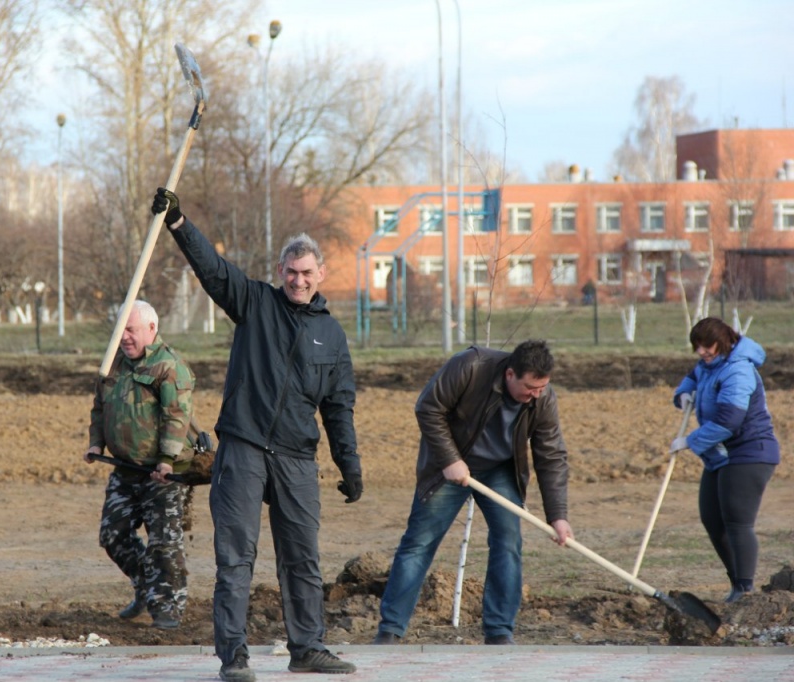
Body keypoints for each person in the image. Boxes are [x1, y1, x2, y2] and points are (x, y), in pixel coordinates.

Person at [152, 188, 362, 681]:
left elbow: (339, 407)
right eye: (291, 272)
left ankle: (308, 648)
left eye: (307, 273)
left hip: (295, 457)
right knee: (235, 559)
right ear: (281, 271)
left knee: (302, 559)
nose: (298, 280)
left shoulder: (331, 336)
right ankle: (234, 657)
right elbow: (213, 270)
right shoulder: (254, 302)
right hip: (243, 448)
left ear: (321, 275)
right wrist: (178, 223)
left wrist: (350, 466)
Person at [372, 340, 572, 646]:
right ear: (509, 374)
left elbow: (551, 456)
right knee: (419, 543)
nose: (535, 395)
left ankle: (499, 631)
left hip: (500, 470)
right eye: (530, 387)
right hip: (451, 464)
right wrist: (450, 459)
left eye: (541, 388)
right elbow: (428, 408)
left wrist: (558, 516)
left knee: (508, 542)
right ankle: (390, 629)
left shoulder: (542, 400)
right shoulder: (470, 366)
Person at [85, 300, 195, 630]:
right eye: (121, 331)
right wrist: (96, 442)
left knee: (164, 541)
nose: (125, 338)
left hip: (163, 472)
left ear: (151, 329)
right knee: (112, 535)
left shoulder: (169, 366)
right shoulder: (113, 365)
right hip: (125, 469)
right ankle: (146, 587)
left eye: (130, 330)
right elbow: (99, 409)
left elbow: (176, 416)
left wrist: (165, 460)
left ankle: (168, 607)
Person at [670, 317, 780, 603]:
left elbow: (729, 421)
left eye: (707, 346)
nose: (702, 353)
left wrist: (690, 441)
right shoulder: (710, 364)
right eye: (697, 347)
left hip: (749, 452)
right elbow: (695, 376)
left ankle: (744, 589)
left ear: (724, 342)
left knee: (737, 522)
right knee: (712, 519)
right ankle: (735, 585)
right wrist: (683, 393)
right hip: (721, 454)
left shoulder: (739, 370)